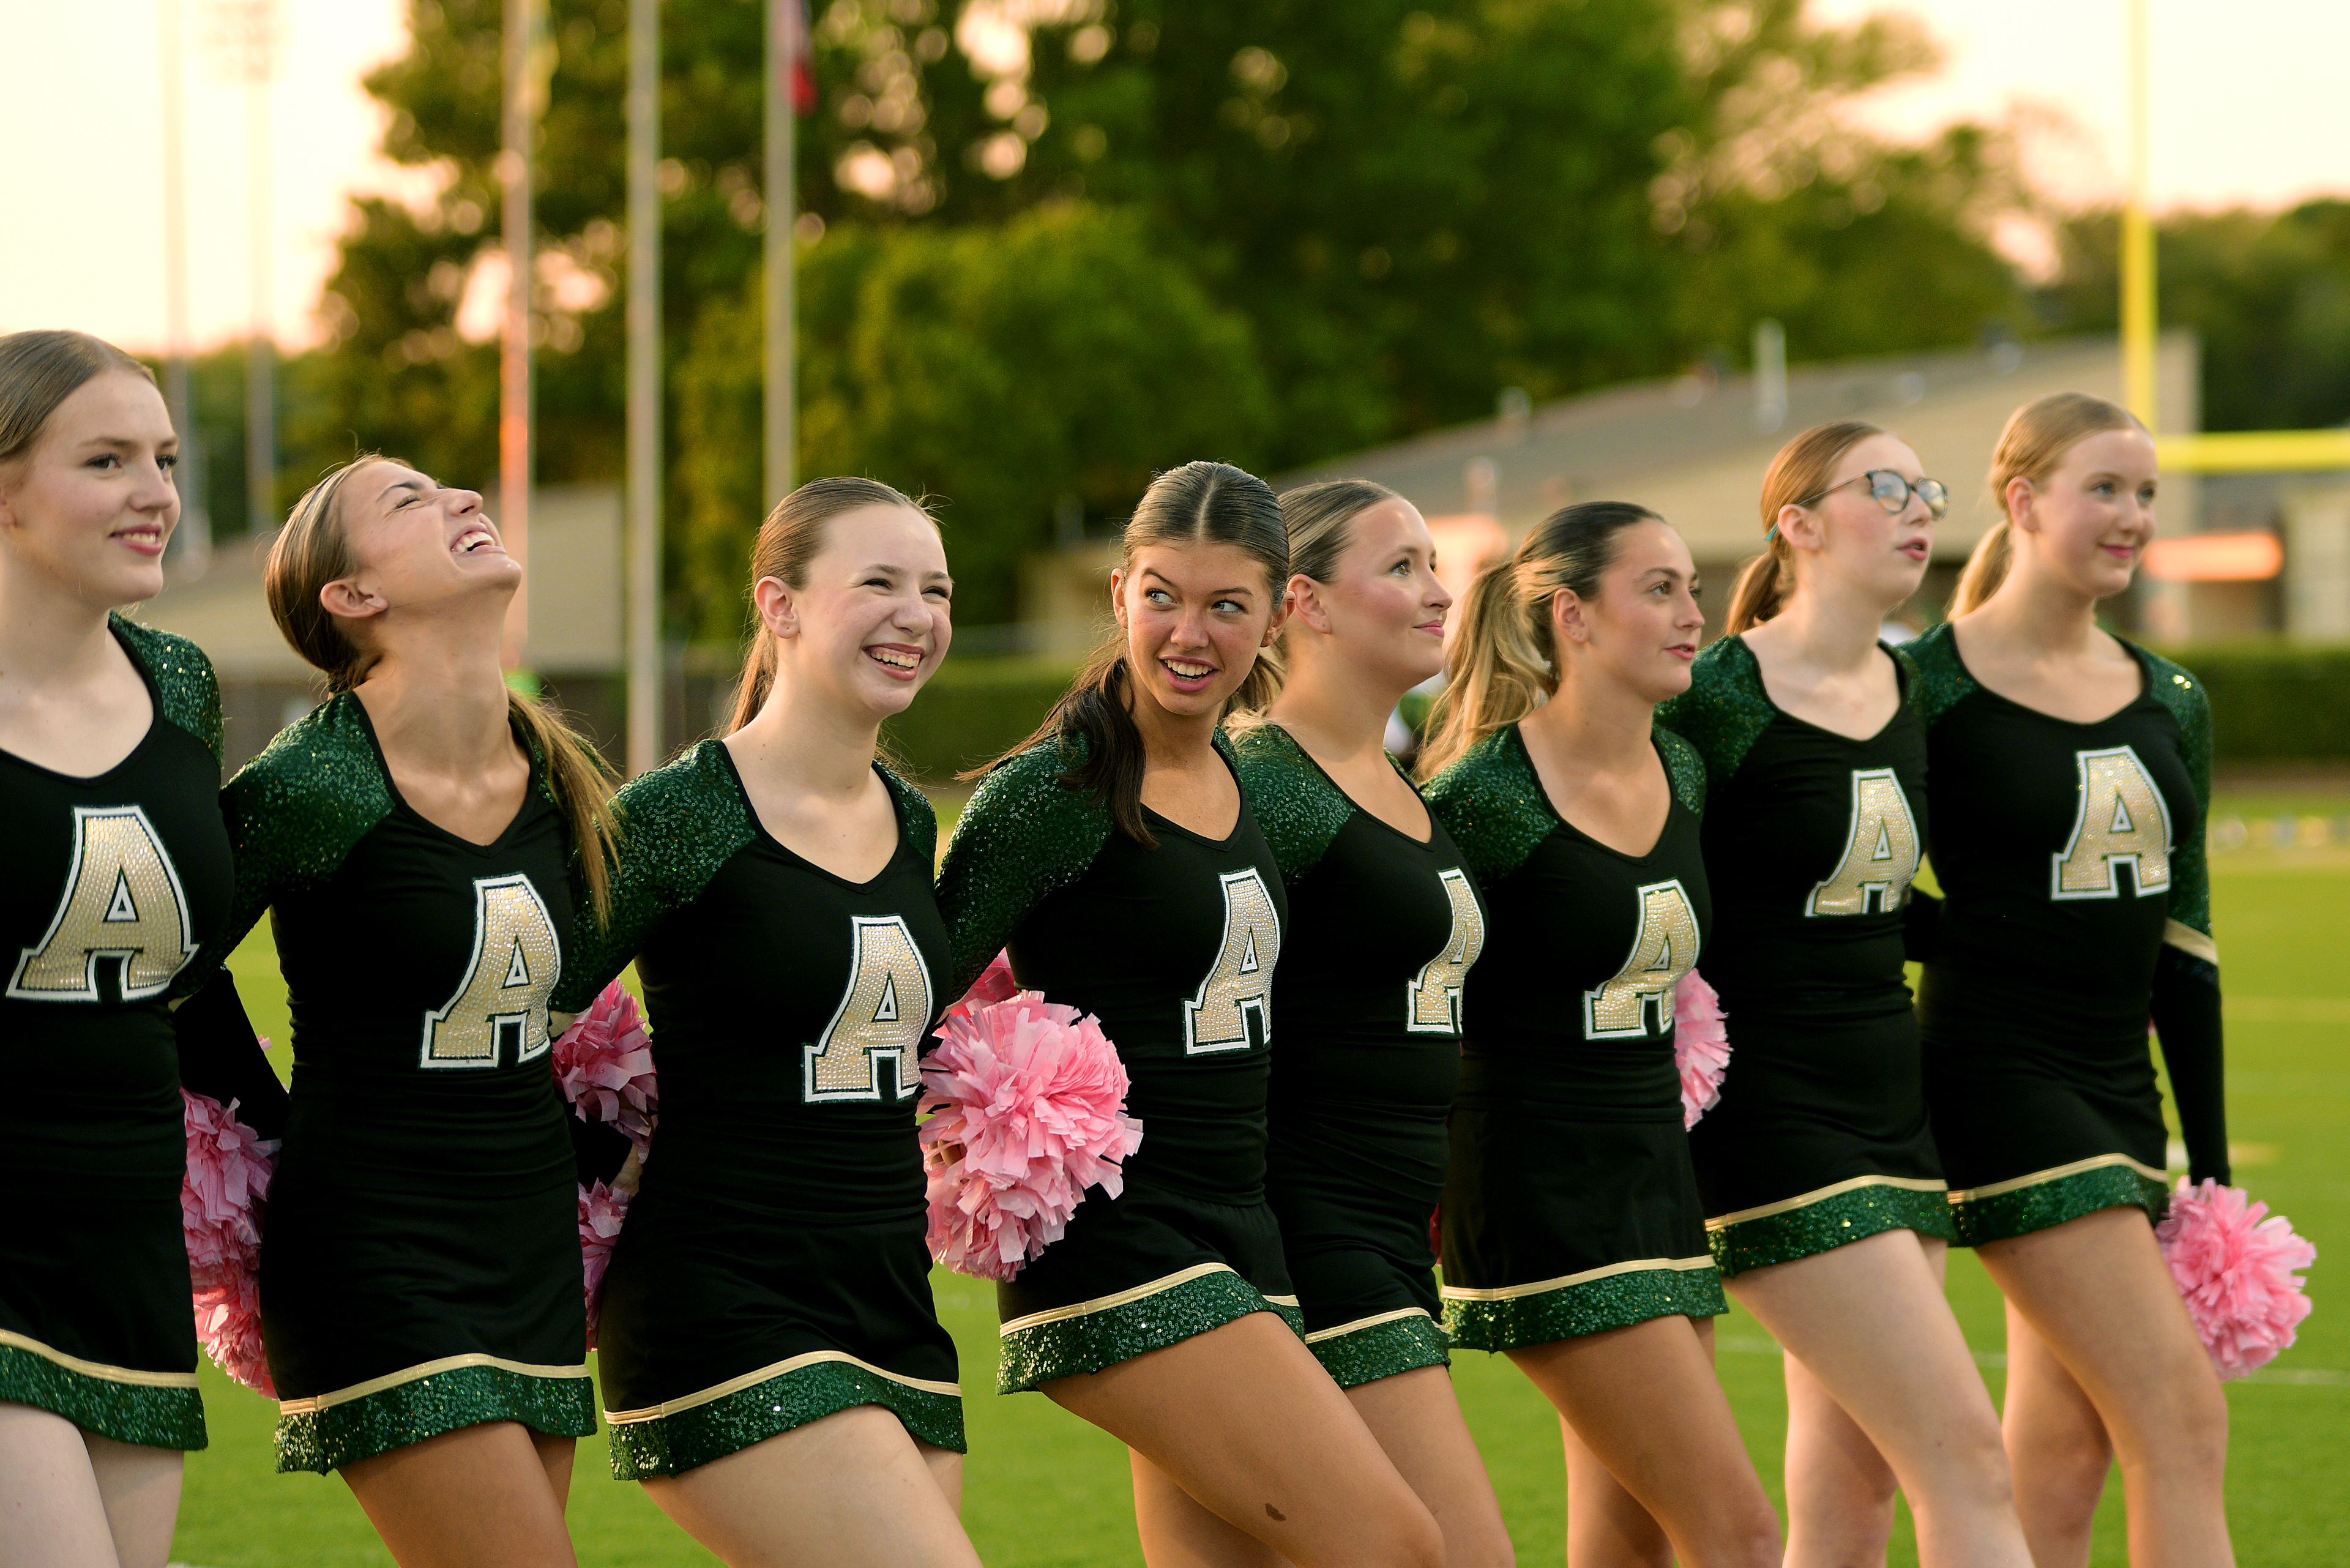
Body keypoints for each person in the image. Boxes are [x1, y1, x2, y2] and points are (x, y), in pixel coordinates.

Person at [936, 461, 1447, 1568]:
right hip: (1124, 1241)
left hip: (1239, 1229)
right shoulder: (1057, 791)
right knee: (1403, 1545)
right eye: (1163, 594)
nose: (1190, 632)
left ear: (1276, 614)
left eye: (1227, 604)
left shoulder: (1236, 773)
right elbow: (909, 989)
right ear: (1119, 592)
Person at [177, 454, 621, 1567]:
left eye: (452, 489)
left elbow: (542, 1001)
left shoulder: (555, 769)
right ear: (352, 596)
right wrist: (271, 1135)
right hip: (375, 1255)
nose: (466, 499)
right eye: (410, 502)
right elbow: (167, 965)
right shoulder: (315, 783)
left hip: (532, 1250)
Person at [550, 477, 979, 1567]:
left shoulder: (911, 814)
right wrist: (601, 1149)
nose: (916, 613)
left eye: (934, 588)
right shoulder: (680, 812)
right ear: (778, 605)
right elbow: (513, 1017)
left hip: (892, 1297)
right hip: (723, 1303)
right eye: (876, 581)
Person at [1658, 425, 2031, 1568]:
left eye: (1928, 489)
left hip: (1892, 1097)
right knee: (1966, 1455)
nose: (1920, 508)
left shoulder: (1909, 683)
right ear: (1798, 525)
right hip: (1773, 1109)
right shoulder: (1714, 691)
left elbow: (1868, 899)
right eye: (1886, 488)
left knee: (1856, 1480)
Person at [1419, 502, 1780, 1568]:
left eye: (1692, 588)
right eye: (1658, 588)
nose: (1691, 614)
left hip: (1654, 1179)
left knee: (1633, 1542)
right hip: (1541, 1188)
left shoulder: (1685, 768)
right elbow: (1391, 978)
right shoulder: (1482, 795)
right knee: (1739, 1533)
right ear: (1571, 616)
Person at [1910, 392, 2234, 1568]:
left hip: (2120, 1085)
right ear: (2023, 498)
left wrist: (2214, 1169)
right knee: (2183, 1419)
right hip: (1999, 1076)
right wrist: (1983, 943)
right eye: (2104, 487)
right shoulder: (1929, 688)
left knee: (2063, 1457)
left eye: (2145, 492)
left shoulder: (2173, 696)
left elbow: (2185, 946)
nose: (2132, 515)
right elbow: (1842, 882)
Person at [0, 330, 268, 1568]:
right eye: (106, 460)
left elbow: (190, 979)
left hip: (128, 1251)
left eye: (162, 457)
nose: (156, 493)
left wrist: (285, 1149)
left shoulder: (179, 685)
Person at [1227, 479, 1513, 1567]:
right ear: (1306, 602)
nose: (1437, 591)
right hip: (1311, 1231)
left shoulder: (1398, 780)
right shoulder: (1267, 779)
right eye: (1400, 567)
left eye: (1434, 563)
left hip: (1395, 1229)